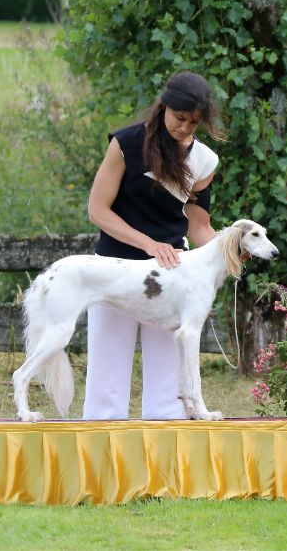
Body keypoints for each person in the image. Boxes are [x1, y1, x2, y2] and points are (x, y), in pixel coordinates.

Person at [82, 71, 224, 420]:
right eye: (180, 118)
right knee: (106, 381)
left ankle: (165, 462)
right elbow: (97, 210)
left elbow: (198, 225)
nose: (186, 128)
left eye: (195, 123)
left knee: (169, 388)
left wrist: (227, 250)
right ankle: (100, 461)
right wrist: (149, 244)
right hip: (114, 268)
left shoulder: (205, 160)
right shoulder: (126, 144)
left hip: (172, 273)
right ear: (164, 107)